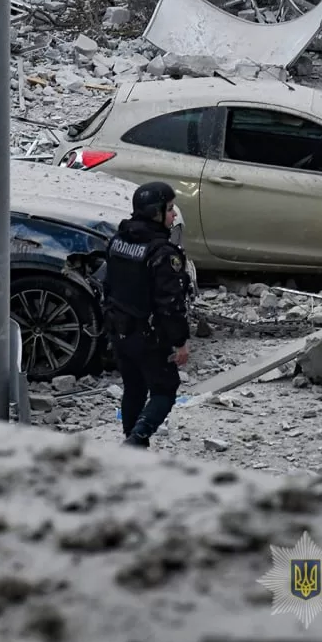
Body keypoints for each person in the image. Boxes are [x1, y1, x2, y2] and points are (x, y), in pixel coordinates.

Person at [104, 182, 191, 449]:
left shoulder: (118, 241)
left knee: (134, 388)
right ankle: (137, 439)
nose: (174, 215)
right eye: (169, 209)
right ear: (155, 212)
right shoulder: (162, 253)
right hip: (148, 335)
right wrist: (180, 342)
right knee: (164, 389)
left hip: (119, 329)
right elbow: (170, 304)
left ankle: (133, 446)